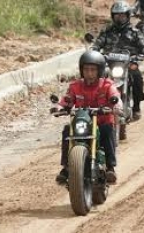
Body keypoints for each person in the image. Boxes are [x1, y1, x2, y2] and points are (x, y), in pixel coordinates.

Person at [53, 50, 122, 185]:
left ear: (99, 71)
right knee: (68, 130)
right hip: (83, 123)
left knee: (108, 129)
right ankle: (66, 167)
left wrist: (117, 106)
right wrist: (59, 108)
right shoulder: (75, 86)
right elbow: (66, 100)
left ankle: (110, 167)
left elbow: (116, 97)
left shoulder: (107, 85)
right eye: (86, 69)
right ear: (81, 70)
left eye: (93, 70)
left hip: (102, 123)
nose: (89, 73)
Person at [91, 0, 144, 121]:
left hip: (128, 64)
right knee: (95, 80)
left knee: (137, 78)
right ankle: (92, 107)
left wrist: (143, 55)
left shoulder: (135, 32)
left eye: (122, 15)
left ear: (127, 15)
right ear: (112, 16)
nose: (119, 18)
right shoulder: (107, 31)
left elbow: (143, 48)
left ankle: (136, 107)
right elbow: (97, 44)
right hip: (109, 64)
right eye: (117, 15)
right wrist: (94, 52)